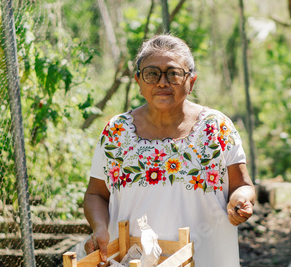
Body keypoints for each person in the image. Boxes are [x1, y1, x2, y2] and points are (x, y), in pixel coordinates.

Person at [84, 35, 256, 267]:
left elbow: (242, 185)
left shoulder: (217, 127)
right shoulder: (117, 132)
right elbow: (96, 195)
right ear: (138, 80)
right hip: (133, 260)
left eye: (174, 73)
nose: (162, 82)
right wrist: (100, 228)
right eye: (152, 73)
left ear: (191, 80)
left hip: (208, 258)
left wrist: (241, 200)